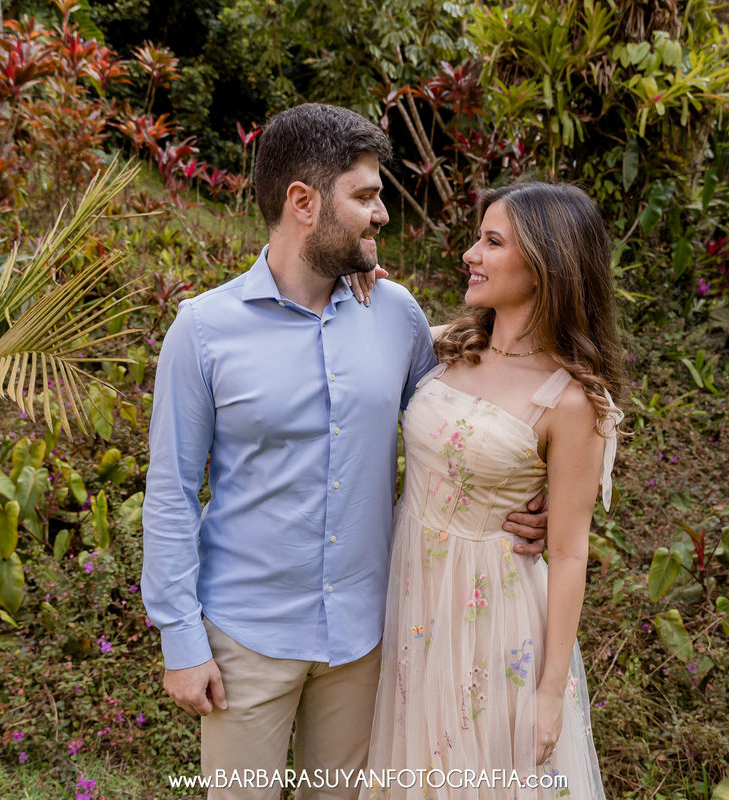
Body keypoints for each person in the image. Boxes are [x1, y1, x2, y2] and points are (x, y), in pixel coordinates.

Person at [140, 103, 550, 800]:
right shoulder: (203, 331)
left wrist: (526, 496)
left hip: (367, 638)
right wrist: (180, 640)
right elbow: (171, 492)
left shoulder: (396, 314)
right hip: (245, 640)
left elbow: (454, 431)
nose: (382, 213)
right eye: (365, 196)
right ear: (303, 203)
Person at [359, 182, 624, 799]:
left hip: (490, 613)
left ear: (545, 266)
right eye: (478, 238)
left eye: (492, 242)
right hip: (410, 591)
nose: (470, 254)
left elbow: (569, 552)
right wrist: (361, 284)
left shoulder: (571, 401)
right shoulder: (448, 346)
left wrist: (549, 693)